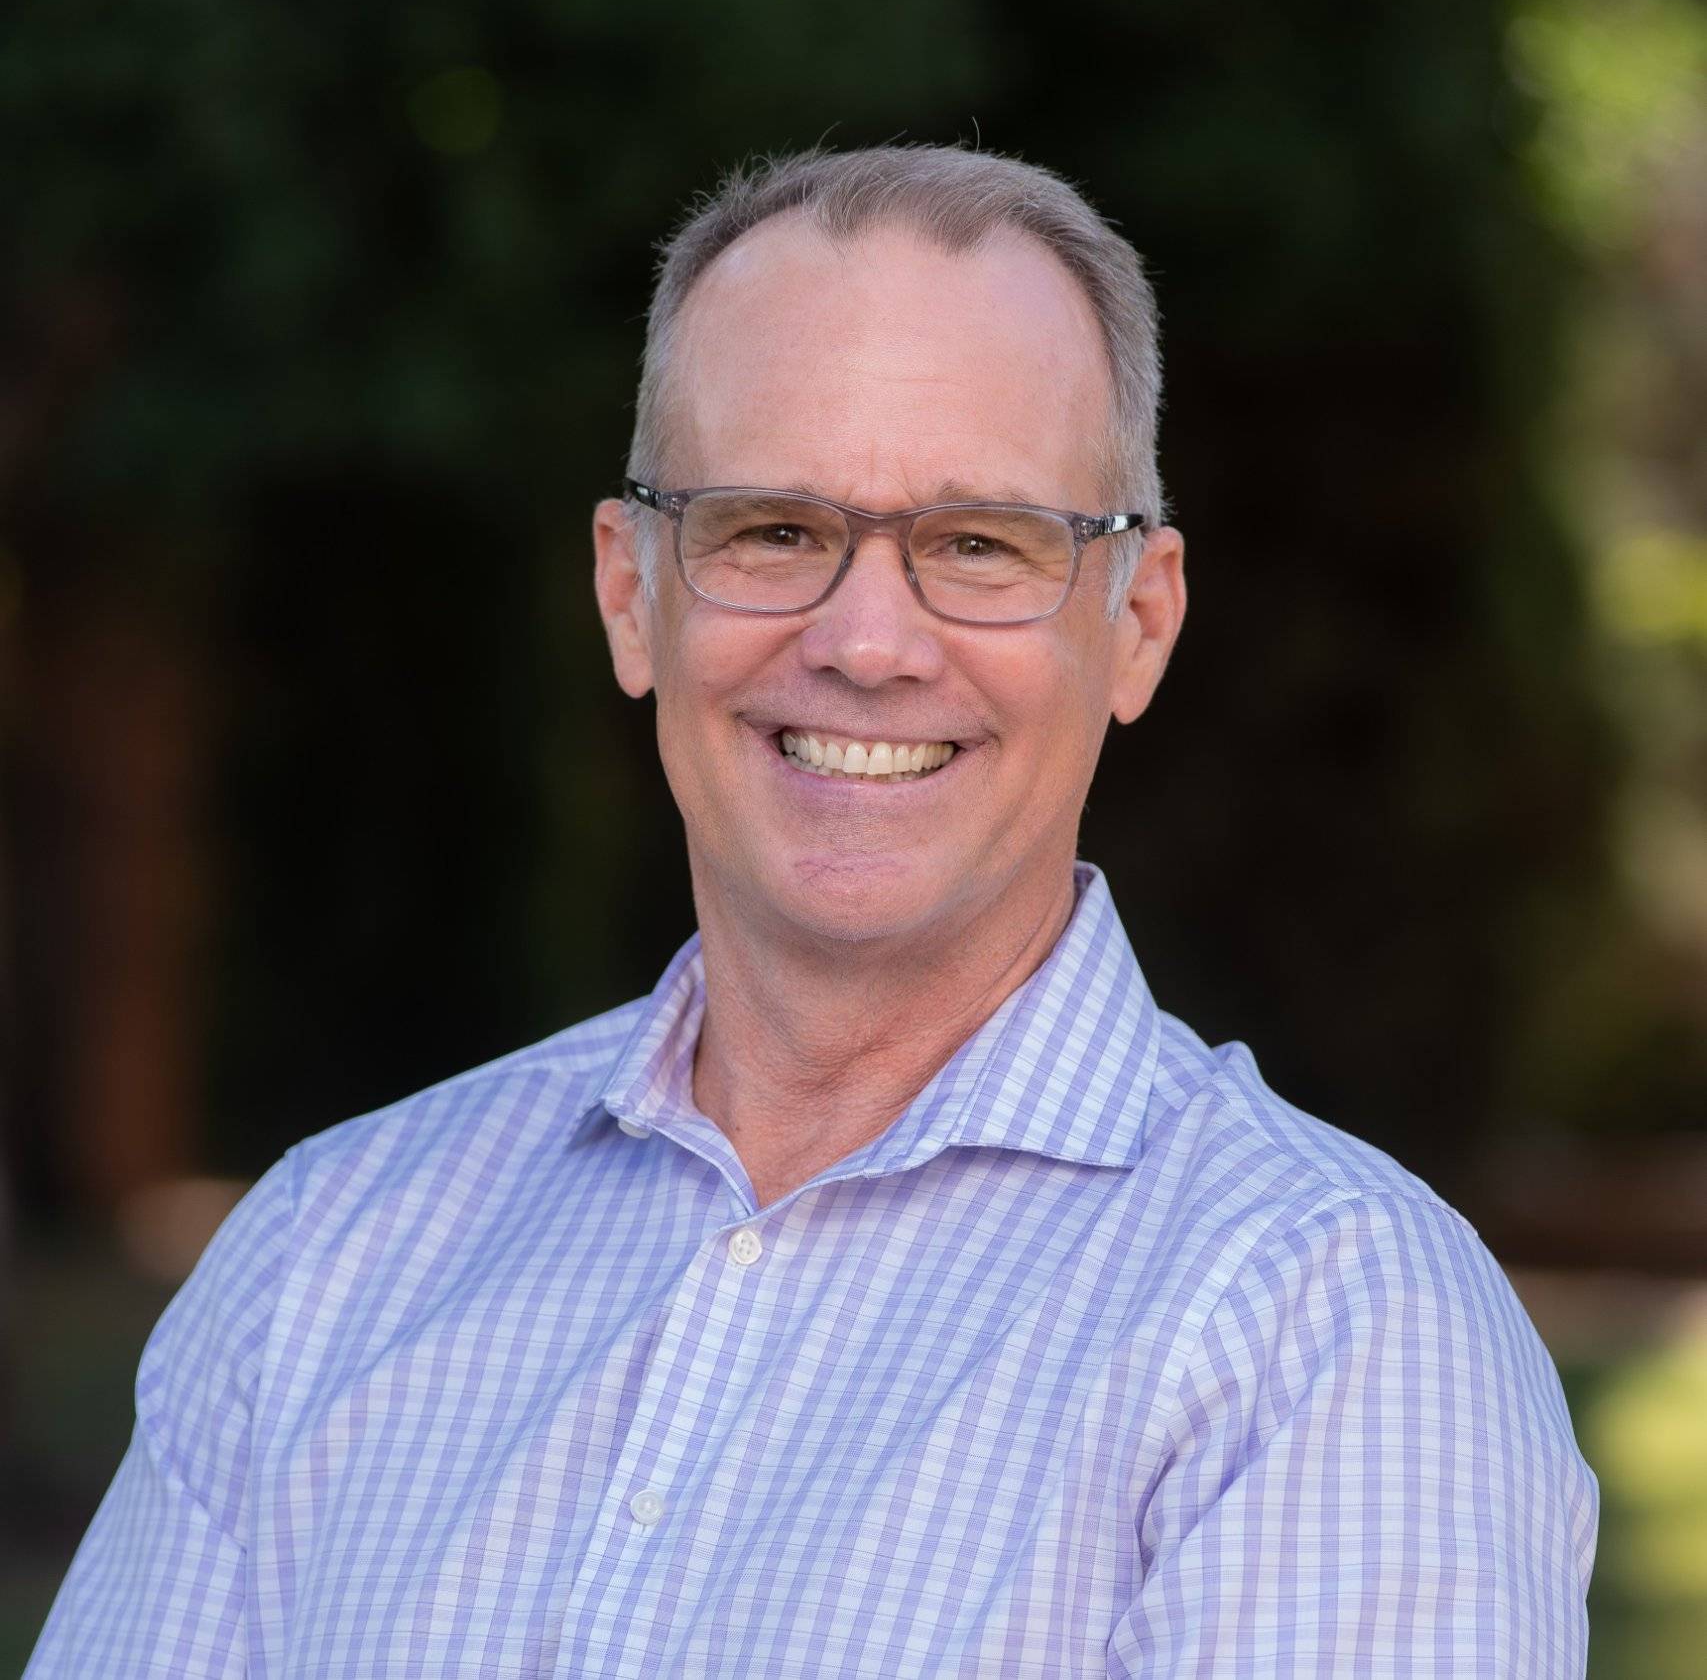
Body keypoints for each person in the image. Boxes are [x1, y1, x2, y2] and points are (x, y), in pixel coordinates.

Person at [27, 144, 1596, 1679]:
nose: (865, 640)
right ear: (632, 591)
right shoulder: (327, 1254)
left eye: (980, 546)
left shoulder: (1327, 1332)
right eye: (773, 530)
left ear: (1140, 626)